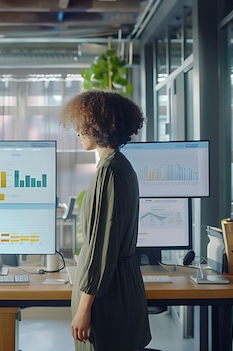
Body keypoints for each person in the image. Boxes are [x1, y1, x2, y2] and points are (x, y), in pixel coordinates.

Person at [62, 90, 152, 351]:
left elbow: (101, 247)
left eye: (83, 124)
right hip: (117, 286)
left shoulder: (110, 172)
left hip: (106, 297)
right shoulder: (119, 166)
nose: (78, 132)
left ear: (99, 126)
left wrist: (84, 308)